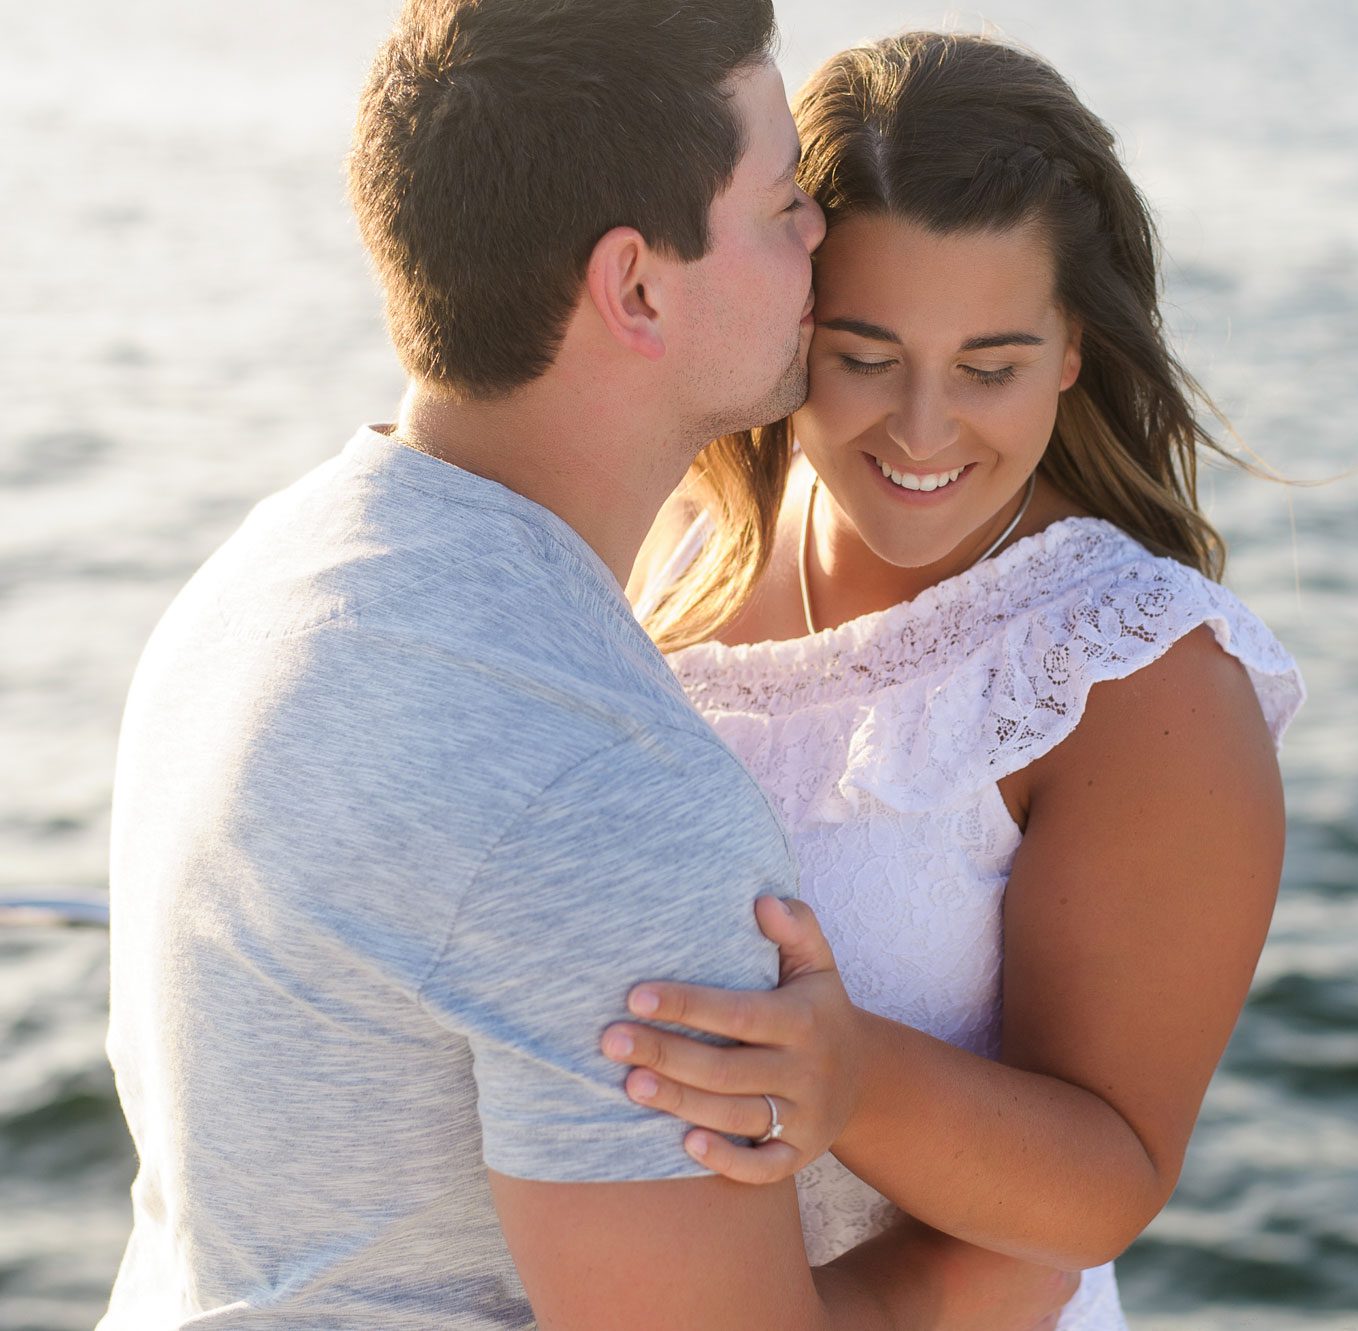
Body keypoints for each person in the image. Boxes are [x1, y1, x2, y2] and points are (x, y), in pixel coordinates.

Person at [100, 3, 1073, 1328]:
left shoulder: (262, 582)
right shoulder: (603, 793)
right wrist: (991, 1262)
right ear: (635, 287)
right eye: (784, 200)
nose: (819, 239)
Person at [617, 32, 1306, 1330]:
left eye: (989, 367)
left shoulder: (1137, 673)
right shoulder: (677, 540)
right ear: (787, 317)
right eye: (865, 357)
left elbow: (1109, 1179)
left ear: (1072, 352)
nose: (923, 433)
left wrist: (853, 1077)